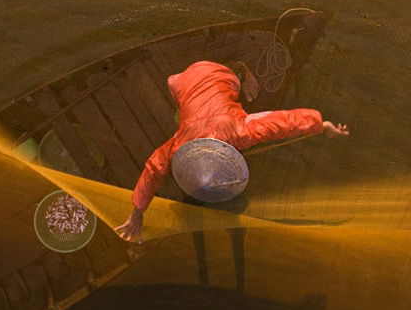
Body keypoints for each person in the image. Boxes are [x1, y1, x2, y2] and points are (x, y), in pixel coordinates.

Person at [114, 59, 349, 243]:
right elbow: (282, 122)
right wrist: (323, 125)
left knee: (225, 90)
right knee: (216, 94)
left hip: (195, 79)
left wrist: (138, 212)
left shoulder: (183, 141)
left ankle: (241, 72)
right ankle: (233, 75)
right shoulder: (238, 132)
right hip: (188, 81)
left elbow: (152, 168)